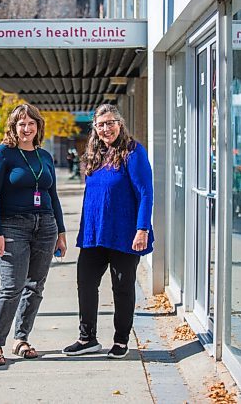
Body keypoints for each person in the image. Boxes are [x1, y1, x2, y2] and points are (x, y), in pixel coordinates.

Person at [63, 104, 154, 359]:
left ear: (120, 123)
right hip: (94, 234)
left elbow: (145, 193)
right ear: (95, 128)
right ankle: (87, 338)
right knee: (86, 283)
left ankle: (121, 340)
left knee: (122, 288)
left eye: (111, 122)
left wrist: (142, 229)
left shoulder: (133, 152)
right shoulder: (94, 153)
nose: (106, 128)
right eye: (101, 124)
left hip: (124, 233)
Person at [0, 104, 67, 366]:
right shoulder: (4, 154)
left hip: (45, 225)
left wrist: (61, 231)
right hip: (12, 226)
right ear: (14, 126)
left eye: (31, 123)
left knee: (35, 286)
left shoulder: (44, 156)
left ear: (38, 127)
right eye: (22, 123)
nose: (27, 127)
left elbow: (52, 195)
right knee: (11, 286)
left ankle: (21, 339)